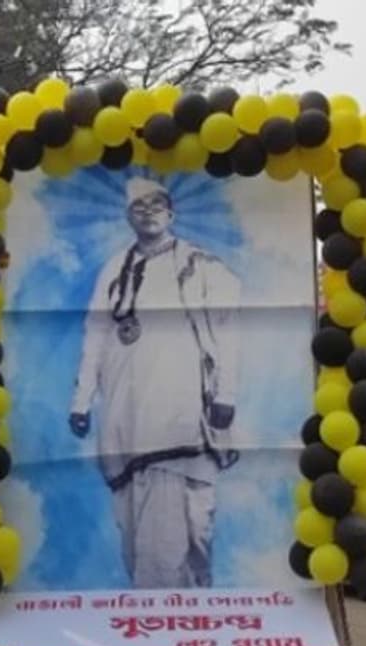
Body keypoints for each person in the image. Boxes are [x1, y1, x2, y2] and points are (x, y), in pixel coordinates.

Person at [69, 176, 242, 589]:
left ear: (172, 213)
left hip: (182, 413)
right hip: (126, 416)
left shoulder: (199, 265)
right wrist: (81, 401)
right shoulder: (115, 269)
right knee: (133, 533)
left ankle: (181, 616)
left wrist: (226, 393)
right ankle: (159, 615)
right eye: (138, 207)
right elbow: (95, 334)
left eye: (155, 204)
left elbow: (228, 331)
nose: (147, 212)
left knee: (189, 526)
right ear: (128, 217)